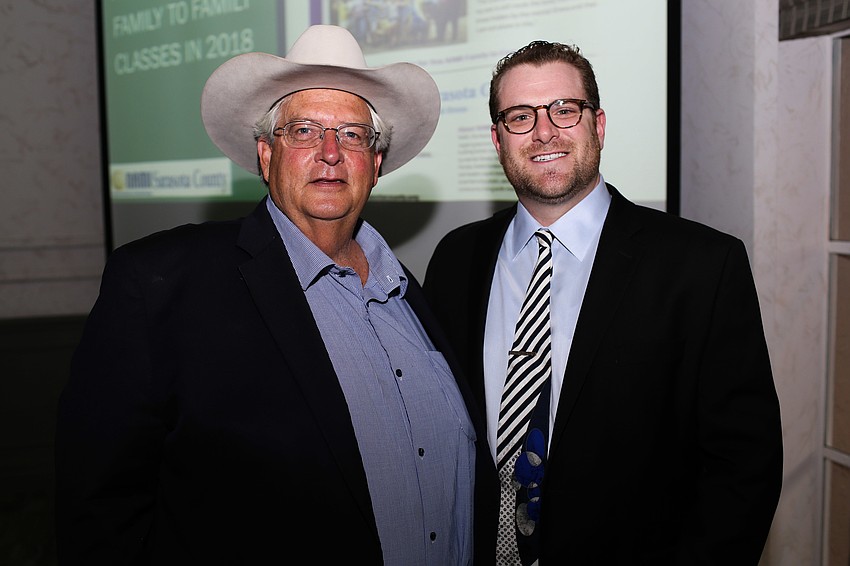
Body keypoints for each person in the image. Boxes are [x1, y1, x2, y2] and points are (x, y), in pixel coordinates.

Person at [55, 24, 495, 566]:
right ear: (266, 155)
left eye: (353, 135)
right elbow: (100, 514)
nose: (330, 153)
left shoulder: (410, 292)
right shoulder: (160, 285)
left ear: (376, 164)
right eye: (305, 131)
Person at [423, 40, 783, 565]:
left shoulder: (703, 266)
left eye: (565, 110)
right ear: (498, 141)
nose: (545, 131)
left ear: (599, 125)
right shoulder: (456, 259)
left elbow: (743, 469)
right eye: (521, 116)